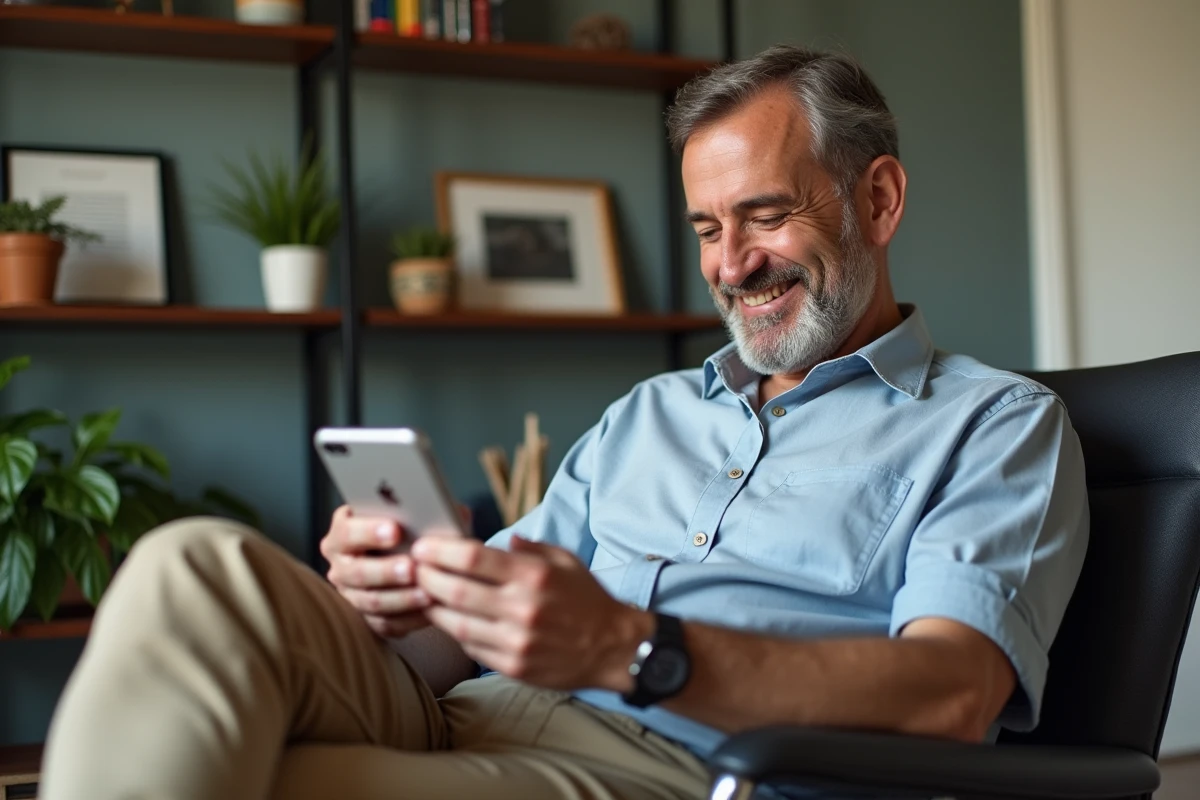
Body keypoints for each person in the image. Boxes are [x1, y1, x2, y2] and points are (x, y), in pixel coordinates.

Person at [40, 45, 1089, 800]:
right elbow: (455, 645)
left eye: (767, 215)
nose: (731, 266)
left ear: (881, 199)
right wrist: (402, 595)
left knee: (255, 773)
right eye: (709, 229)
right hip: (469, 710)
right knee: (194, 563)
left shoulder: (995, 426)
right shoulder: (652, 410)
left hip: (676, 765)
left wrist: (633, 646)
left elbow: (952, 692)